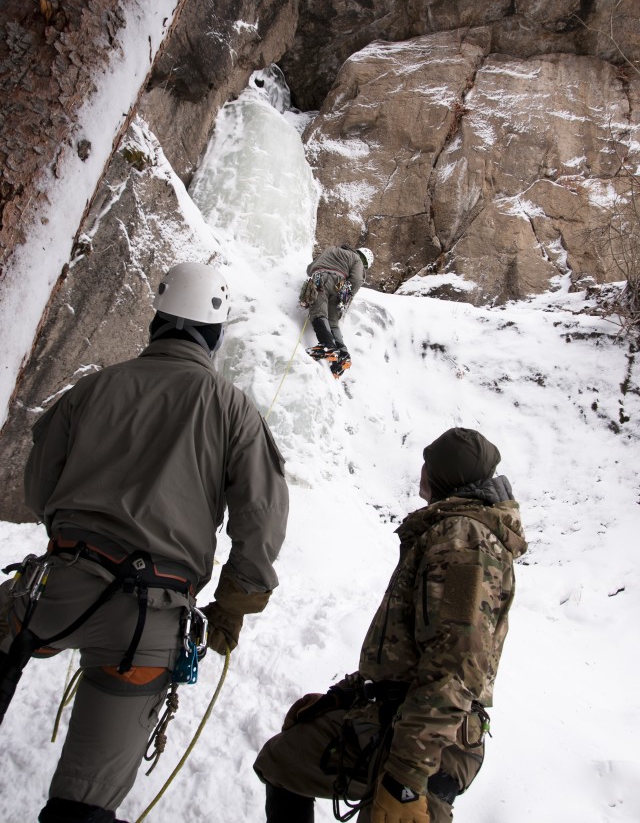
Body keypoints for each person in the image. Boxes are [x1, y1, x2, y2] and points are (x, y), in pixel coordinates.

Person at [0, 261, 289, 823]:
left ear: (157, 322)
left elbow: (39, 487)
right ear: (214, 336)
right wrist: (230, 608)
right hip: (148, 621)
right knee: (81, 805)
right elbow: (261, 517)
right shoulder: (232, 407)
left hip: (54, 589)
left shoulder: (93, 387)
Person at [254, 427, 527, 823]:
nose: (421, 473)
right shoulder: (452, 533)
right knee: (284, 762)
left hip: (427, 744)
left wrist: (405, 778)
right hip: (390, 718)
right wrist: (342, 695)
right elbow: (404, 652)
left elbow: (454, 663)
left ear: (443, 475)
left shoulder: (463, 544)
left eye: (428, 465)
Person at [303, 244, 374, 378]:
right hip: (339, 285)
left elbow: (310, 269)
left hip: (320, 278)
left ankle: (327, 345)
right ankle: (342, 356)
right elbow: (357, 279)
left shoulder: (331, 249)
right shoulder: (356, 260)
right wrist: (346, 295)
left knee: (318, 312)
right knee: (333, 322)